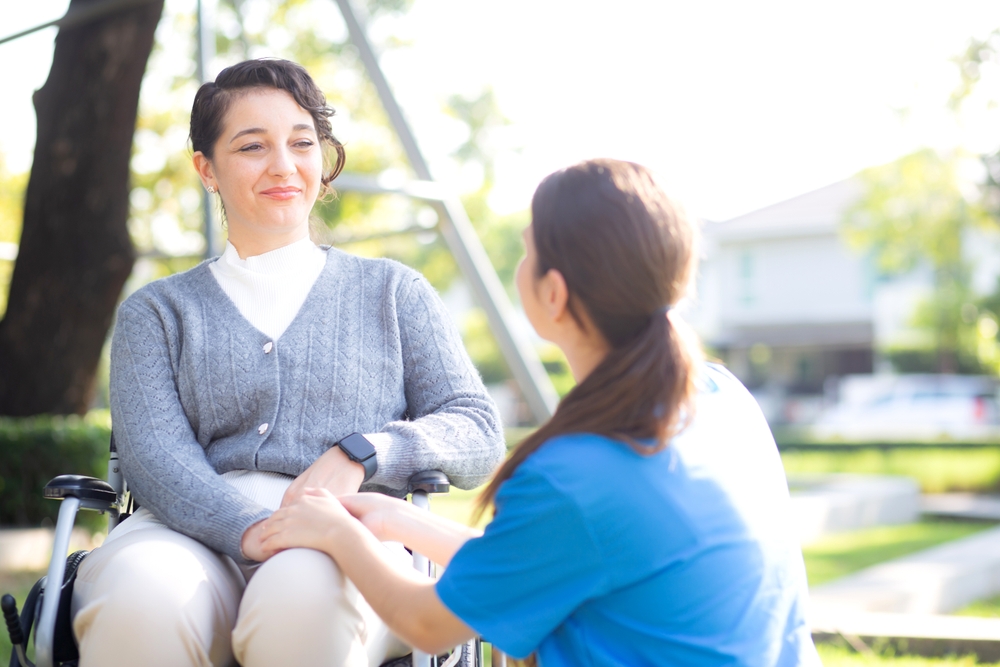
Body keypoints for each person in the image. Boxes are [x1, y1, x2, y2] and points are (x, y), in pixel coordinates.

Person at [260, 158, 821, 666]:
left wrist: (339, 534)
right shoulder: (723, 400)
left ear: (553, 293)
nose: (520, 264)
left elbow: (428, 624)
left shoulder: (578, 472)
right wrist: (395, 521)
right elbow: (541, 560)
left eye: (528, 250)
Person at [70, 58, 505, 667]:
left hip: (347, 537)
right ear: (207, 169)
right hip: (183, 532)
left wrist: (364, 451)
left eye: (302, 143)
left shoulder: (393, 292)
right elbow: (155, 458)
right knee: (141, 601)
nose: (283, 165)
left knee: (304, 601)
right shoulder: (156, 312)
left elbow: (477, 429)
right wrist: (254, 530)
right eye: (252, 146)